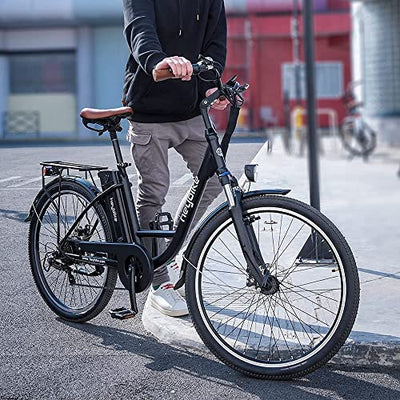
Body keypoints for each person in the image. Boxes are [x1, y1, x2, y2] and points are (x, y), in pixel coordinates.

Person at [122, 0, 229, 317]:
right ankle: (158, 282)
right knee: (154, 190)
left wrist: (213, 86)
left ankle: (174, 248)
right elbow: (140, 30)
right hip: (149, 111)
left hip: (191, 110)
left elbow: (215, 44)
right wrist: (159, 62)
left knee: (212, 180)